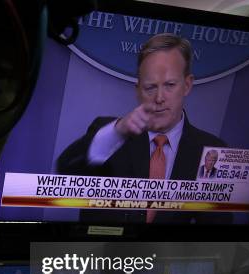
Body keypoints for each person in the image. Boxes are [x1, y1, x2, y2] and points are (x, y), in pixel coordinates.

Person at [55, 33, 228, 224]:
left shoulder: (213, 151)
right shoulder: (111, 134)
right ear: (138, 90)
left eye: (170, 85)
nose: (160, 97)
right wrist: (118, 132)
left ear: (187, 85)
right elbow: (65, 169)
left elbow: (216, 232)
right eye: (150, 87)